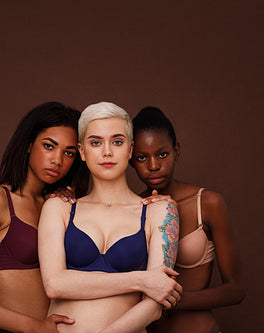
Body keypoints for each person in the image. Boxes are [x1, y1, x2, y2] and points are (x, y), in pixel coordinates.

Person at [38, 102, 181, 333]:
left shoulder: (160, 212)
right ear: (82, 151)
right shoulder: (59, 207)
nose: (107, 152)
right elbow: (55, 285)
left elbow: (156, 303)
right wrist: (141, 280)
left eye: (117, 141)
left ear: (130, 149)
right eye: (95, 142)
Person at [0, 102, 89, 333]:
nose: (57, 160)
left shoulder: (57, 205)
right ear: (27, 145)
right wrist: (34, 327)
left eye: (69, 153)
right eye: (48, 146)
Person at [131, 107, 245, 333]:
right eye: (142, 157)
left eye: (162, 154)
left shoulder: (208, 204)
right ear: (130, 161)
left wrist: (169, 299)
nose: (153, 166)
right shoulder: (131, 209)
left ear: (177, 150)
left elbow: (236, 290)